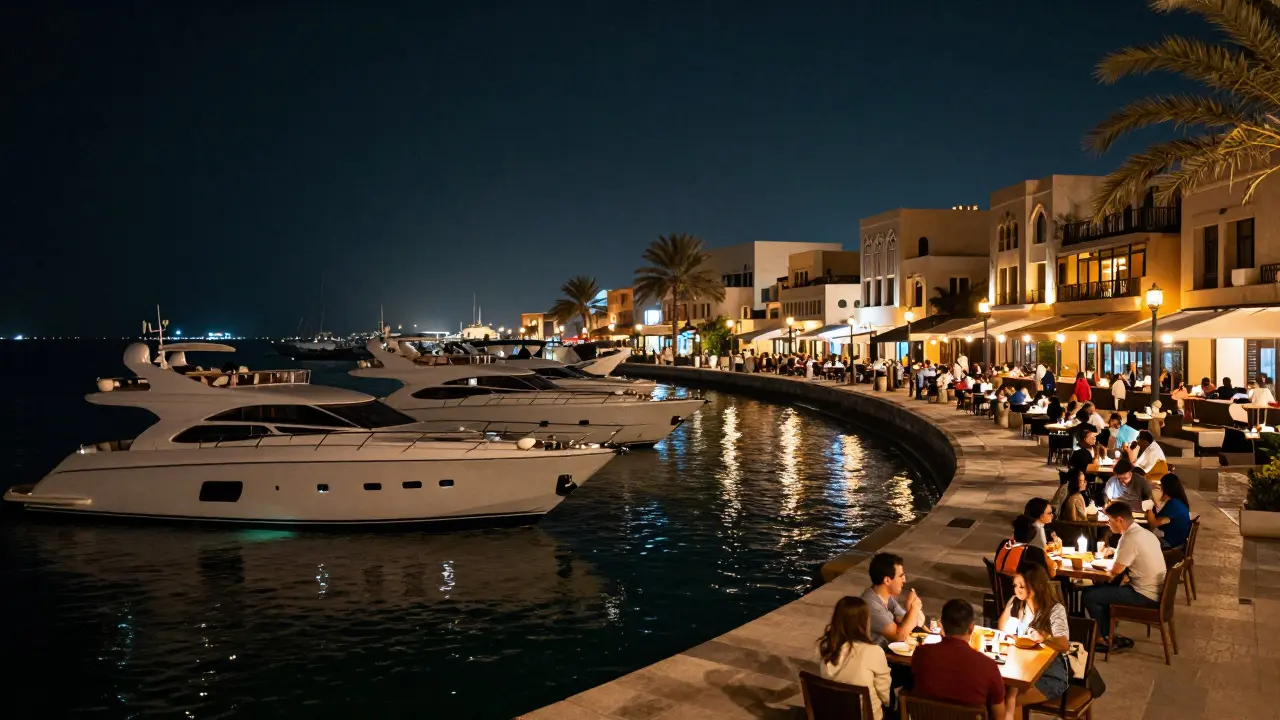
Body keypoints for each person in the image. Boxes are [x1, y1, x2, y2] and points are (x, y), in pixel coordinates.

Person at [1082, 501, 1166, 650]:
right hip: (1157, 592)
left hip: (1144, 596)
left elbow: (1115, 571)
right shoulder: (1145, 533)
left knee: (1090, 594)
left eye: (1109, 520)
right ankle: (1107, 632)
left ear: (1119, 520)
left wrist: (1096, 564)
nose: (1108, 524)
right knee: (1105, 591)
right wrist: (1115, 552)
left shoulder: (1129, 538)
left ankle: (1101, 637)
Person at [910, 599, 1006, 719]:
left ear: (942, 625)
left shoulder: (921, 653)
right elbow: (999, 717)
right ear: (971, 628)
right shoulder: (987, 665)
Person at [996, 566, 1070, 718]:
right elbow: (1002, 628)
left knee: (1009, 700)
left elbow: (1064, 645)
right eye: (1015, 586)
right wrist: (1011, 605)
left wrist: (1045, 638)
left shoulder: (1054, 610)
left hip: (1048, 675)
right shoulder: (1018, 604)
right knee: (997, 696)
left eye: (1022, 586)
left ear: (1036, 585)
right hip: (1020, 670)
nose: (1017, 590)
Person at [817, 596, 892, 720]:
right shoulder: (873, 651)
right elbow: (885, 696)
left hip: (833, 715)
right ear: (864, 622)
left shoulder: (826, 648)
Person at [860, 552, 925, 647]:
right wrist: (914, 609)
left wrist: (910, 611)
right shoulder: (871, 605)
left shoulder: (887, 599)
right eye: (900, 576)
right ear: (887, 580)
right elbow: (899, 636)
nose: (904, 580)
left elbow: (903, 622)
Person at [1150, 474, 1192, 549]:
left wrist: (1148, 509)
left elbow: (1154, 524)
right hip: (1177, 541)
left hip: (1171, 543)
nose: (1160, 489)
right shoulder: (1178, 501)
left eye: (1161, 486)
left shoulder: (1174, 504)